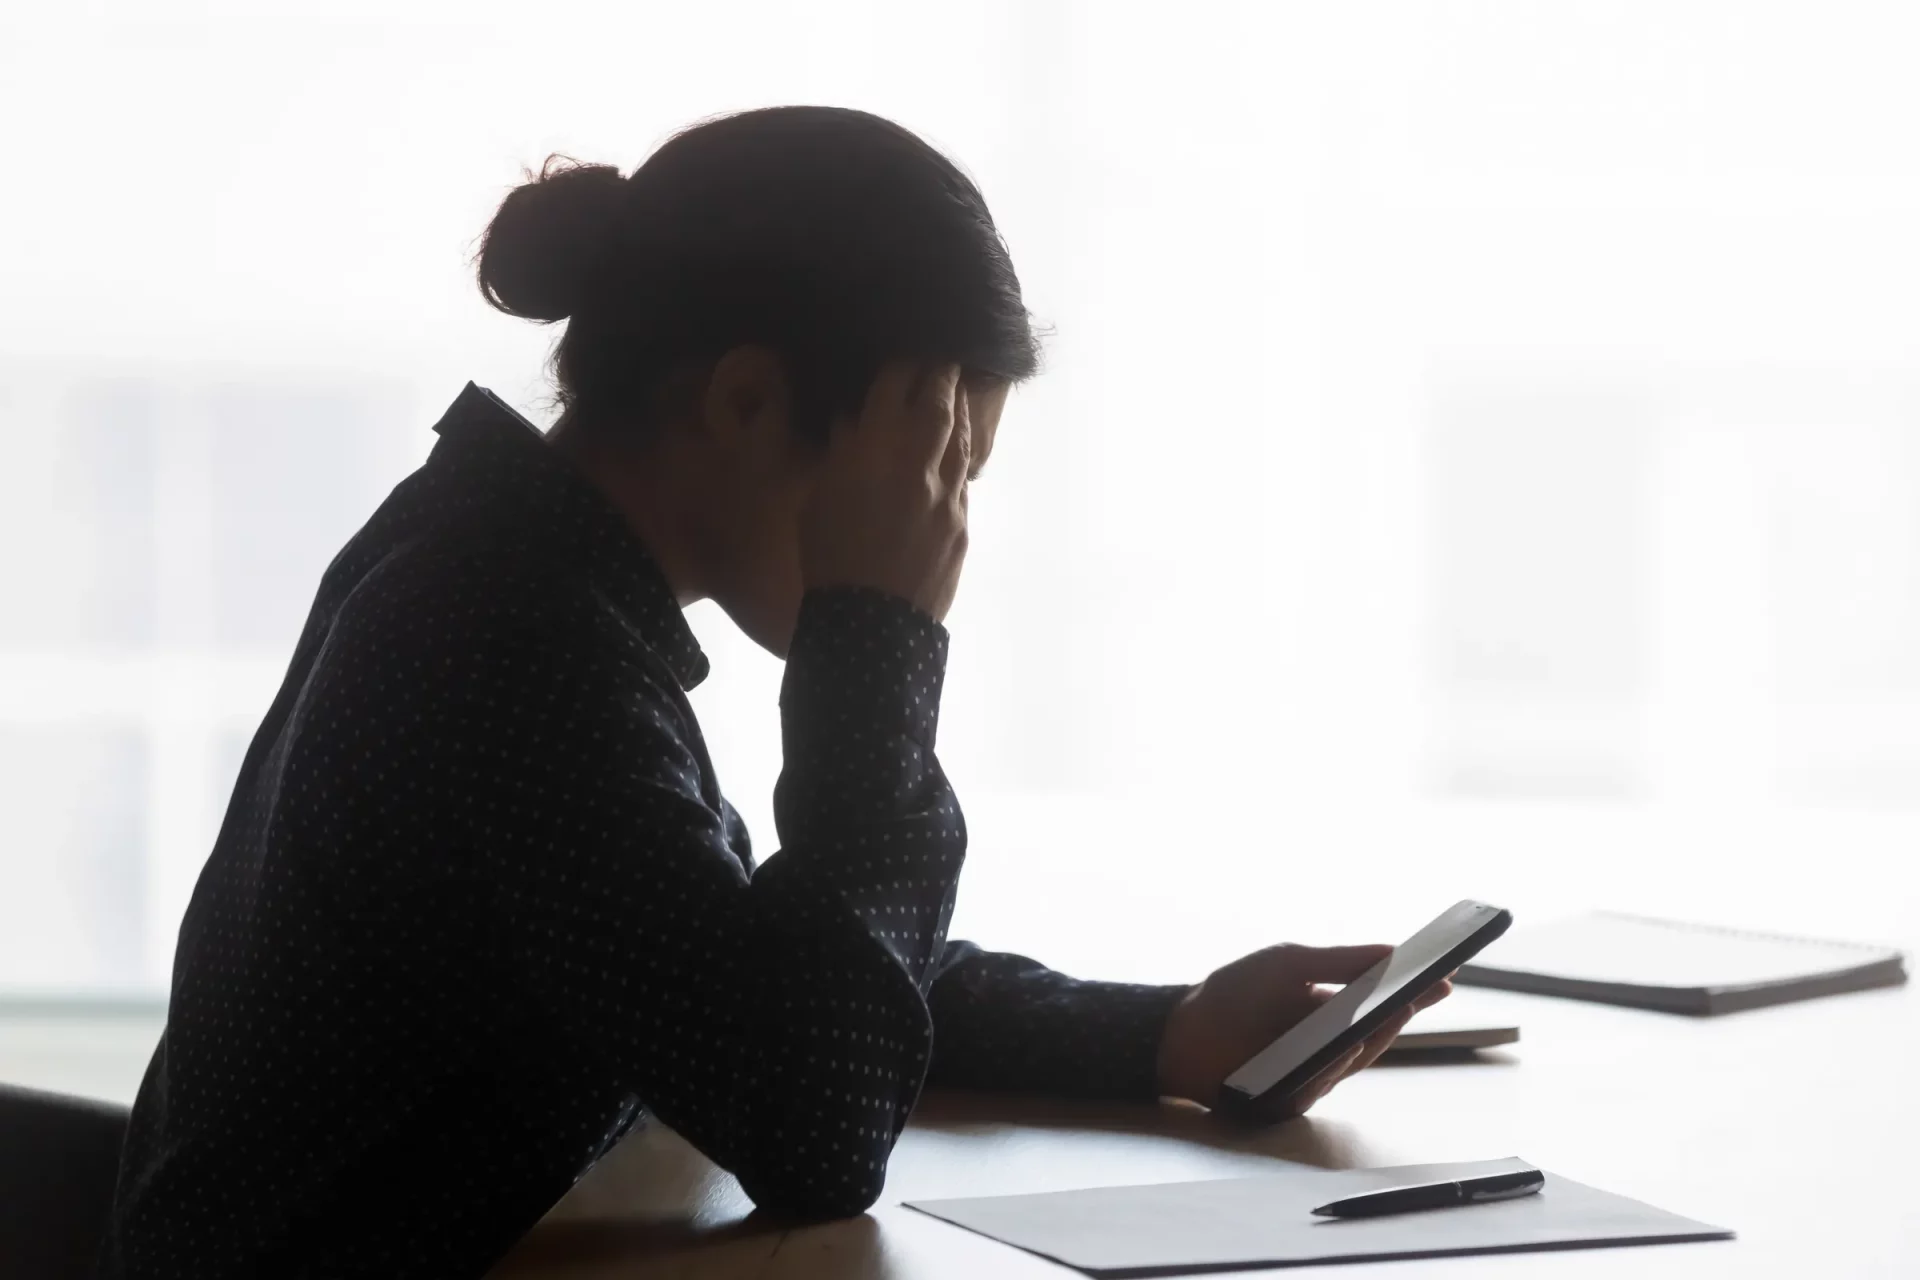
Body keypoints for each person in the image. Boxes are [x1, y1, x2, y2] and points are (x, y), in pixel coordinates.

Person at [98, 106, 1449, 1279]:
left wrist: (1161, 1029)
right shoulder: (506, 634)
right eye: (928, 468)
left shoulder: (513, 562)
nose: (942, 529)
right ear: (745, 402)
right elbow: (813, 1115)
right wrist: (879, 643)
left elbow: (755, 978)